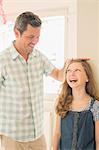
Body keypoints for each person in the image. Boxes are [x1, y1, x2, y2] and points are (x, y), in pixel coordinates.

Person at [0, 11, 65, 150]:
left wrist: (71, 64)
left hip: (37, 134)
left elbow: (59, 75)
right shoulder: (3, 60)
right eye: (30, 36)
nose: (35, 41)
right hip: (13, 135)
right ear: (17, 33)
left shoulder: (38, 57)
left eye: (38, 36)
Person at [53, 59, 99, 150]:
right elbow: (57, 134)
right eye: (68, 71)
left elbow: (98, 141)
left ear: (87, 77)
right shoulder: (62, 102)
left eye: (77, 70)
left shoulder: (95, 106)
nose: (72, 73)